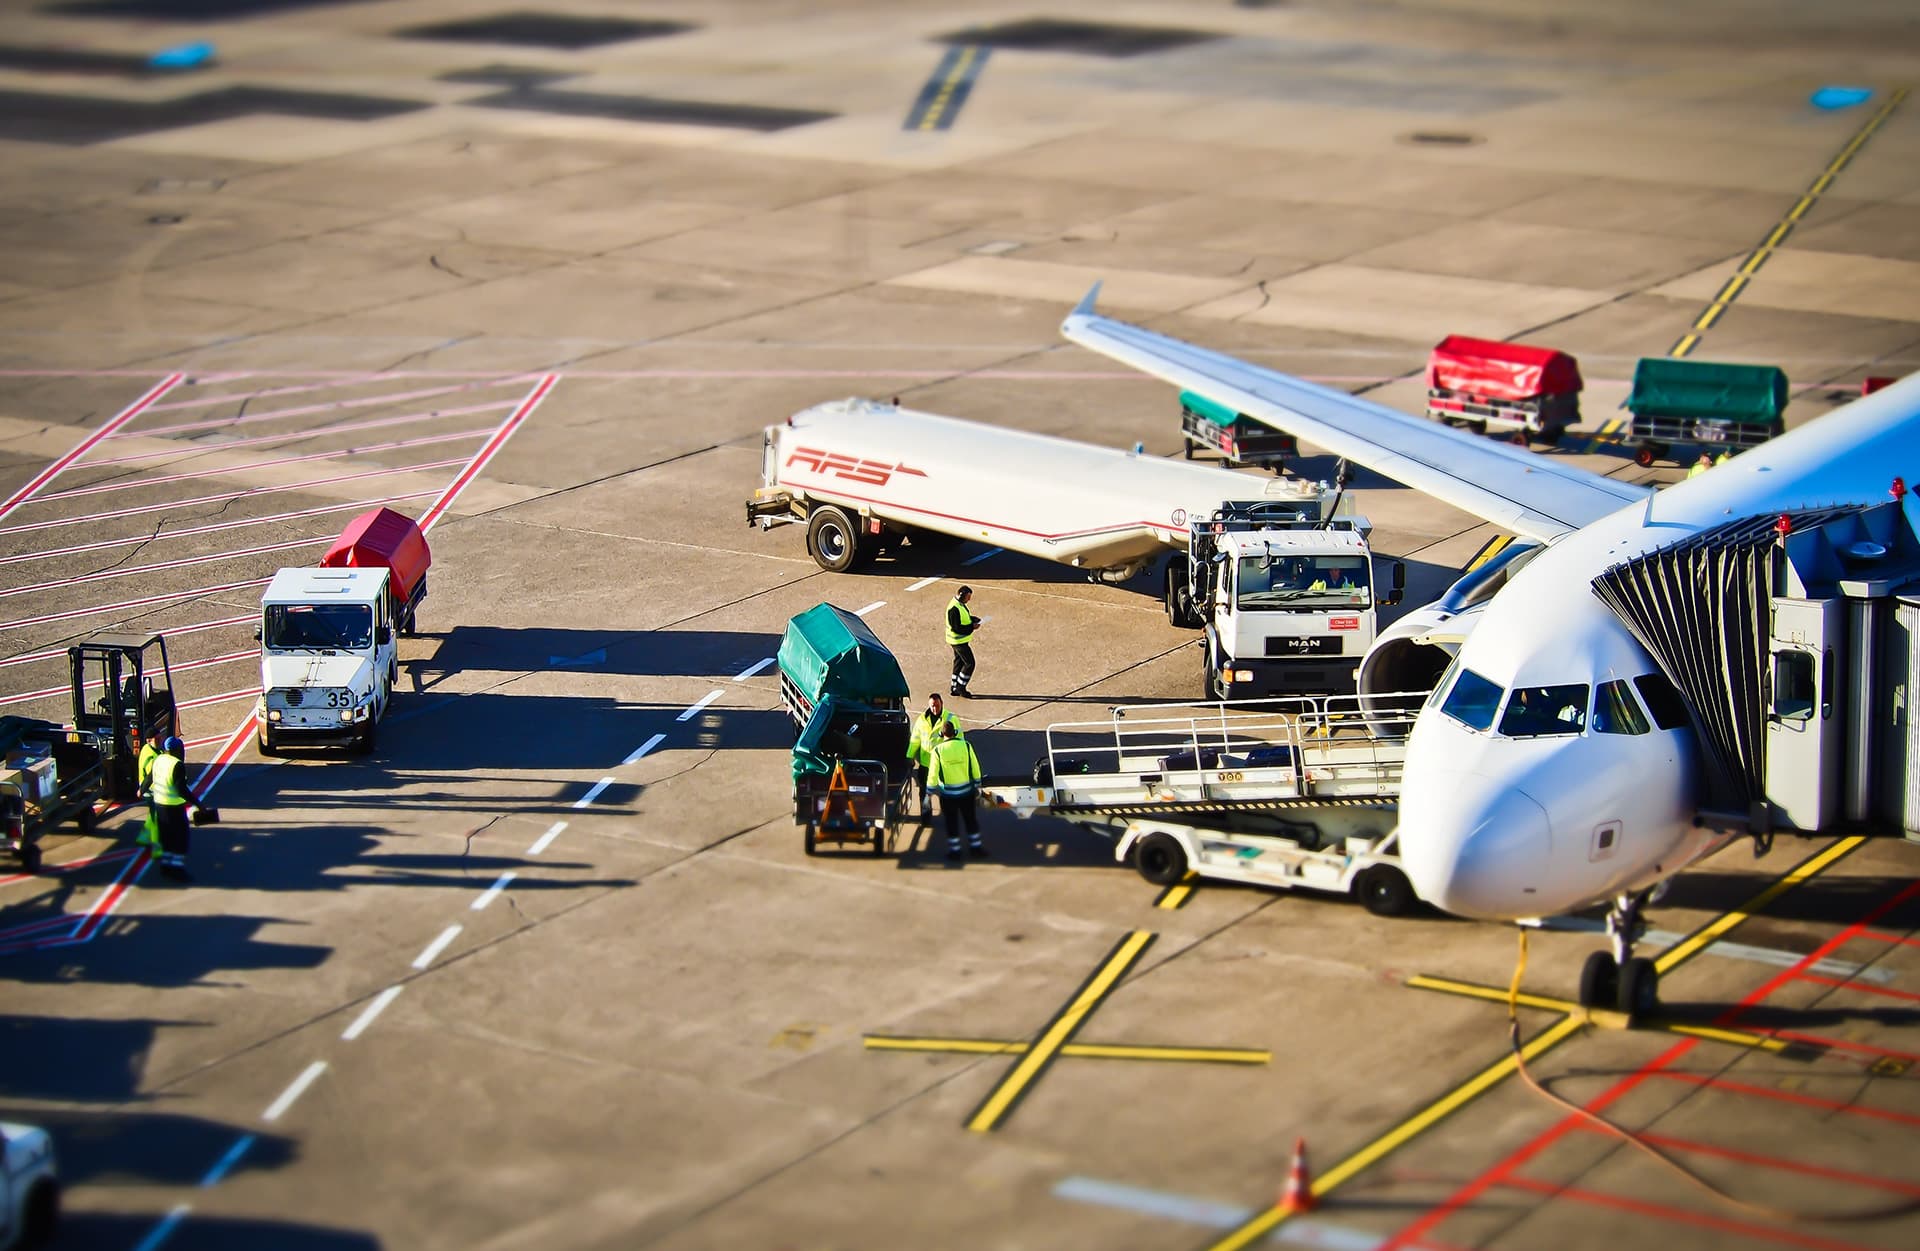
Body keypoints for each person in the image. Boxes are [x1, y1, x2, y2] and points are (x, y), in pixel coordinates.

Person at [148, 736, 207, 879]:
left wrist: (141, 789)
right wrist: (198, 804)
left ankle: (165, 866)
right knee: (181, 839)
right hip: (174, 808)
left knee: (166, 838)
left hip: (159, 805)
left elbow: (150, 778)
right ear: (176, 750)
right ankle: (177, 869)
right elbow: (181, 789)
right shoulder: (177, 764)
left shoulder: (159, 759)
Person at [926, 720, 986, 861]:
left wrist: (928, 793)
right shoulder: (966, 746)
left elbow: (933, 774)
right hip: (967, 793)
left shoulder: (938, 751)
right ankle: (976, 848)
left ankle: (955, 851)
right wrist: (978, 785)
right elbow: (975, 767)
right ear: (955, 732)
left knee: (951, 822)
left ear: (942, 734)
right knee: (970, 820)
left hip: (948, 795)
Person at [907, 693, 962, 820]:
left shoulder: (951, 719)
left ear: (942, 703)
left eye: (937, 705)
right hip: (926, 764)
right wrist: (909, 756)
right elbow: (915, 739)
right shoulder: (922, 720)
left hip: (943, 764)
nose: (935, 709)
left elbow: (959, 740)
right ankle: (926, 818)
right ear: (929, 705)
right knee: (925, 793)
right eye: (932, 706)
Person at [945, 585, 981, 698]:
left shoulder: (959, 605)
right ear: (961, 595)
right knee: (970, 663)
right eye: (968, 597)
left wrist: (972, 619)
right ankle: (961, 687)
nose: (969, 600)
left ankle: (954, 686)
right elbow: (956, 628)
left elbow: (963, 618)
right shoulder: (953, 608)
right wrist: (972, 627)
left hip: (958, 640)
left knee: (959, 662)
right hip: (958, 641)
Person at [133, 727, 161, 851]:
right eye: (157, 739)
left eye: (160, 738)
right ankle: (156, 847)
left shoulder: (147, 749)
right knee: (157, 818)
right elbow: (151, 776)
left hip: (149, 790)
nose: (160, 740)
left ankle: (143, 838)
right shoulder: (151, 756)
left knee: (152, 814)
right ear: (149, 740)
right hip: (152, 791)